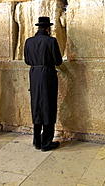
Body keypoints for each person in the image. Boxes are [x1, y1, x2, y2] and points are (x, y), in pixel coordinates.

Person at [24, 16, 62, 151]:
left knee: (36, 105)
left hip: (34, 75)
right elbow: (58, 61)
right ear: (48, 28)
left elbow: (27, 60)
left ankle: (36, 141)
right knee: (48, 106)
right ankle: (46, 142)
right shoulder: (51, 41)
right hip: (48, 75)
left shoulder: (28, 41)